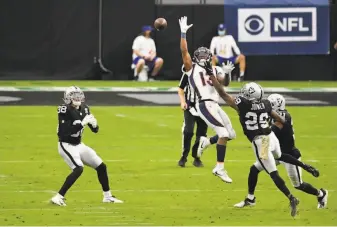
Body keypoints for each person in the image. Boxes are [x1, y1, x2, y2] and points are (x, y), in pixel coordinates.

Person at [206, 78, 320, 217]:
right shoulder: (266, 104)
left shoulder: (243, 105)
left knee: (273, 173)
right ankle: (305, 166)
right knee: (278, 157)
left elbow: (223, 94)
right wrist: (264, 121)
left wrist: (212, 77)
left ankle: (291, 198)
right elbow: (281, 120)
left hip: (261, 141)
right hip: (271, 136)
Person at [179, 16, 236, 183]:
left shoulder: (215, 68)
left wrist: (227, 73)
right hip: (203, 104)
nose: (203, 57)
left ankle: (206, 142)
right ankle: (219, 167)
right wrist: (183, 33)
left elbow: (224, 84)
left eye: (206, 55)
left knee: (231, 134)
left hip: (215, 104)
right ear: (196, 57)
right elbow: (184, 52)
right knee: (223, 133)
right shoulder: (191, 68)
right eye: (201, 55)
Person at [51, 86, 123, 206]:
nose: (77, 98)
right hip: (66, 144)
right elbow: (65, 132)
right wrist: (82, 124)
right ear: (68, 98)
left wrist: (95, 125)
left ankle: (107, 196)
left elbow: (95, 130)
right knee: (78, 169)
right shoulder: (64, 109)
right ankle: (58, 197)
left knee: (101, 166)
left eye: (79, 95)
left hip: (79, 144)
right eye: (74, 95)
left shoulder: (85, 109)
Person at [177, 65, 220, 168]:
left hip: (204, 106)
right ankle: (184, 156)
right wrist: (182, 102)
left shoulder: (211, 72)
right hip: (190, 106)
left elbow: (219, 87)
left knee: (201, 134)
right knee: (188, 131)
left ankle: (197, 157)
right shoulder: (190, 71)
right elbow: (181, 88)